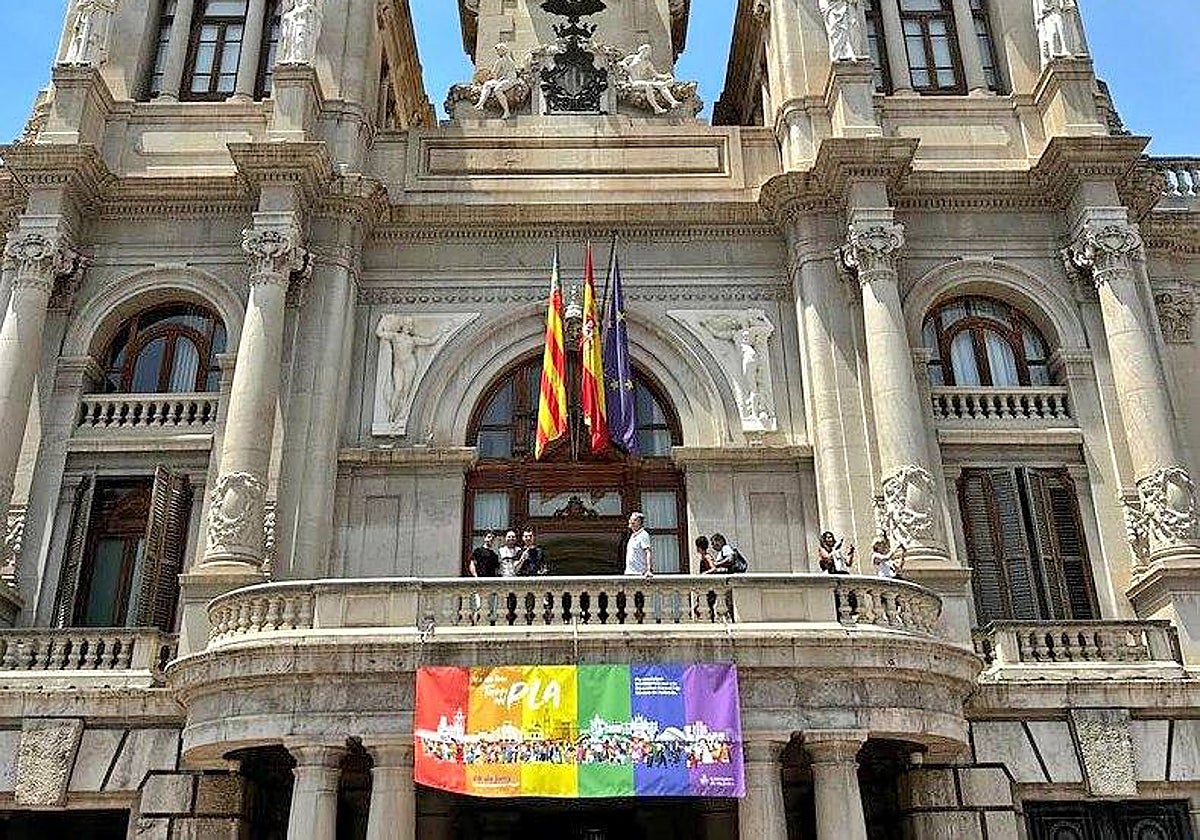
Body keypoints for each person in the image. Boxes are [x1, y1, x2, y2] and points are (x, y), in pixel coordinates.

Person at [625, 512, 654, 577]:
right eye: (630, 519)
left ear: (639, 522)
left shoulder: (643, 535)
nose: (630, 521)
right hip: (630, 572)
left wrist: (649, 570)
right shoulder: (632, 535)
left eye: (634, 520)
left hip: (639, 573)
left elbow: (648, 552)